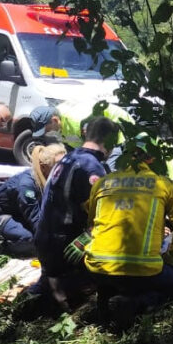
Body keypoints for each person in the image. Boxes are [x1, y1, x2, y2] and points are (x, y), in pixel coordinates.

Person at [69, 134, 173, 330]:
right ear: (151, 158)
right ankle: (136, 303)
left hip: (99, 267)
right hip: (143, 270)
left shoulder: (103, 183)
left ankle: (106, 304)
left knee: (110, 278)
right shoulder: (163, 184)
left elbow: (91, 223)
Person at [32, 116, 118, 312]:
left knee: (48, 289)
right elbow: (102, 215)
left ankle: (42, 297)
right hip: (65, 244)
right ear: (111, 141)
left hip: (46, 238)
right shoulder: (91, 168)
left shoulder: (70, 157)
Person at [0, 144, 67, 257]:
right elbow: (36, 220)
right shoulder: (27, 185)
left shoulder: (49, 177)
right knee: (31, 239)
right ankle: (6, 249)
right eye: (58, 166)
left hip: (17, 213)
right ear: (43, 167)